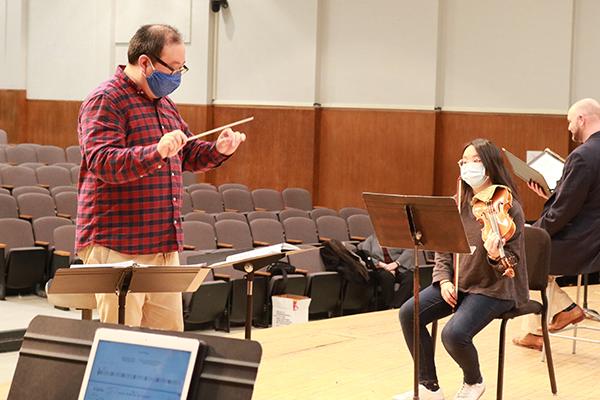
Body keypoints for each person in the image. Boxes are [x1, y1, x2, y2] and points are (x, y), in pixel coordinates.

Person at [75, 24, 245, 332]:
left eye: (183, 68)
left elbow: (188, 154)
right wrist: (154, 151)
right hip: (118, 243)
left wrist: (220, 150)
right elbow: (103, 162)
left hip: (162, 244)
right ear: (145, 62)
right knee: (123, 343)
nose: (178, 75)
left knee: (168, 342)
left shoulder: (164, 105)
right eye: (174, 67)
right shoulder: (106, 99)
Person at [393, 139, 529, 400]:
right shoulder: (458, 203)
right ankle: (428, 386)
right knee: (409, 312)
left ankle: (473, 382)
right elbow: (443, 250)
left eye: (475, 160)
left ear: (490, 165)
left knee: (453, 334)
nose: (468, 166)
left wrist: (494, 254)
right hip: (459, 283)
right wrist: (443, 280)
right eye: (464, 161)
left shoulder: (508, 206)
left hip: (495, 289)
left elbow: (511, 264)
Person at [513, 98, 600, 350]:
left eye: (571, 121)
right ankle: (546, 321)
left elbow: (564, 211)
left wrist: (535, 232)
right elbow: (586, 199)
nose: (570, 127)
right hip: (593, 236)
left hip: (582, 242)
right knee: (530, 253)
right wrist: (551, 195)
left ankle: (565, 311)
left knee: (525, 253)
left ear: (582, 119)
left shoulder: (582, 156)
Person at [356, 234, 419, 309]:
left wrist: (396, 263)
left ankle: (396, 305)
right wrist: (384, 265)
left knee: (410, 277)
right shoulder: (371, 239)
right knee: (387, 276)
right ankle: (389, 305)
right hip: (380, 268)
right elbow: (364, 255)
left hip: (398, 267)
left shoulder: (397, 238)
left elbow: (409, 250)